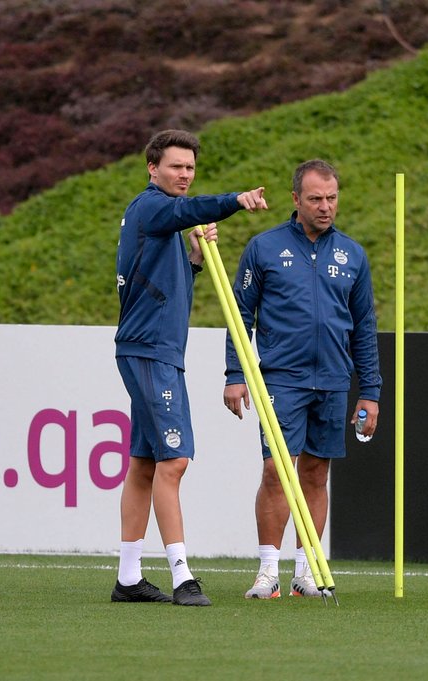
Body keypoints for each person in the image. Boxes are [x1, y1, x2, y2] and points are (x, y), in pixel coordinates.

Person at [113, 129, 269, 606]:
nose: (184, 174)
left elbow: (165, 288)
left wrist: (195, 262)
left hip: (154, 350)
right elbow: (189, 211)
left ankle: (128, 578)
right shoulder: (153, 207)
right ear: (152, 168)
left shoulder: (159, 220)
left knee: (144, 463)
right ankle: (183, 576)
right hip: (150, 351)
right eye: (176, 166)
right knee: (174, 461)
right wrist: (235, 200)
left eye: (190, 167)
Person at [223, 159, 382, 600]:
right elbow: (239, 315)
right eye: (315, 199)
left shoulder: (352, 254)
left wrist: (370, 391)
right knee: (276, 471)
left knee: (315, 474)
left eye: (331, 198)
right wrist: (235, 373)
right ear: (296, 199)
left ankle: (306, 571)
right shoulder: (264, 247)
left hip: (333, 380)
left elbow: (364, 327)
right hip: (281, 379)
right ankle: (267, 572)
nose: (325, 206)